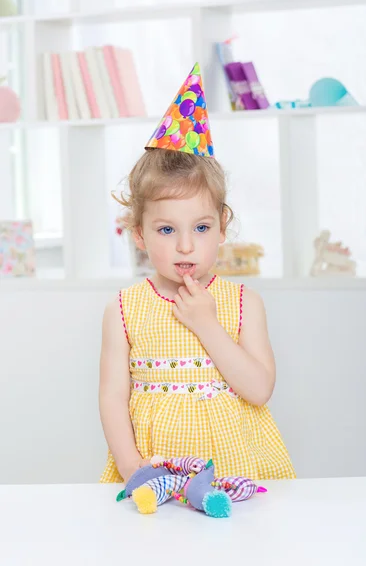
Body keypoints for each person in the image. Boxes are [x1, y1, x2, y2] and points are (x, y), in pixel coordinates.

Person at [99, 63, 295, 483]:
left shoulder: (244, 303)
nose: (185, 245)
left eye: (201, 228)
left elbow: (259, 390)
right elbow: (113, 397)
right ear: (139, 233)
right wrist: (132, 466)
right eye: (166, 229)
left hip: (232, 467)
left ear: (222, 226)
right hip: (156, 467)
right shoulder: (124, 308)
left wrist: (207, 324)